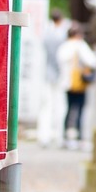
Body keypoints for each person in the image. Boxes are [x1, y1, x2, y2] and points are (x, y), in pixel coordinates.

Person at [57, 23, 96, 150]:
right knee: (80, 110)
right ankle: (79, 138)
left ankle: (66, 137)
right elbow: (92, 61)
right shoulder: (80, 45)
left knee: (68, 109)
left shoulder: (64, 46)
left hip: (67, 83)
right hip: (79, 83)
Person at [38, 8, 68, 148]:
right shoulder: (62, 34)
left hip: (47, 73)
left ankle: (44, 136)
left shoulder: (46, 33)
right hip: (59, 74)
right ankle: (58, 136)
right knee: (59, 107)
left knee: (46, 107)